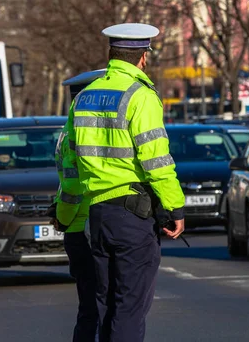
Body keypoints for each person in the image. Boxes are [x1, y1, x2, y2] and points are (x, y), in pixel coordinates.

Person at [60, 23, 186, 342]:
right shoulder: (140, 97)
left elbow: (70, 165)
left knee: (103, 306)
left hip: (96, 216)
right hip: (132, 217)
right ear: (143, 57)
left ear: (112, 54)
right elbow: (156, 161)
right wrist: (175, 206)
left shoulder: (84, 98)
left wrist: (64, 213)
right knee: (129, 308)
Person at [51, 69, 106, 342]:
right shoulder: (87, 131)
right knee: (102, 306)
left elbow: (66, 185)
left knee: (88, 305)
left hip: (75, 227)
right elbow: (72, 187)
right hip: (91, 224)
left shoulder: (66, 131)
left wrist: (62, 218)